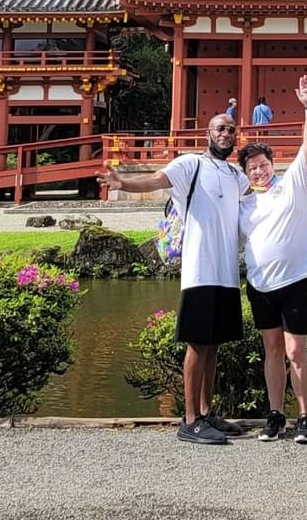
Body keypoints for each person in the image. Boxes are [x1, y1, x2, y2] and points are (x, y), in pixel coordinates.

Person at [105, 112, 248, 445]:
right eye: (220, 129)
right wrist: (124, 183)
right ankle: (190, 419)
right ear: (207, 133)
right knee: (197, 343)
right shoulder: (189, 165)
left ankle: (207, 412)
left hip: (226, 271)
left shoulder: (236, 175)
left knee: (214, 345)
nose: (225, 134)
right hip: (200, 269)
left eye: (230, 130)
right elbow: (156, 180)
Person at [239, 75, 307, 443]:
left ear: (273, 162)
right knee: (271, 349)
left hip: (299, 278)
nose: (258, 171)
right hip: (260, 284)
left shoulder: (294, 181)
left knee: (295, 350)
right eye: (251, 168)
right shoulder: (243, 202)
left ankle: (305, 417)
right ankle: (275, 415)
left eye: (262, 164)